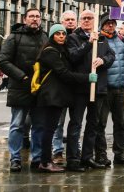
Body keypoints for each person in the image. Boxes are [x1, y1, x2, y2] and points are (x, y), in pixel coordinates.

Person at [33, 24, 90, 173]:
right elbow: (63, 73)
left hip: (57, 95)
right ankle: (45, 162)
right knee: (49, 129)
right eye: (57, 34)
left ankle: (45, 160)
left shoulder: (60, 50)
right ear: (52, 36)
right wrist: (86, 78)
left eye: (63, 34)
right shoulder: (50, 52)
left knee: (49, 128)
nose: (61, 36)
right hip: (51, 96)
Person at [0, 8, 48, 172]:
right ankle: (15, 158)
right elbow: (3, 61)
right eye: (31, 16)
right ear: (25, 19)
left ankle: (37, 158)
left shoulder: (45, 37)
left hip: (40, 88)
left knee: (39, 125)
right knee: (17, 125)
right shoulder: (14, 37)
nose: (35, 19)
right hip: (20, 87)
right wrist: (23, 77)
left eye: (37, 17)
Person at [65, 10, 115, 172]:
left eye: (90, 18)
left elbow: (111, 56)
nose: (87, 21)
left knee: (93, 125)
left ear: (94, 21)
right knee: (76, 124)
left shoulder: (101, 37)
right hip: (80, 88)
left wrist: (103, 60)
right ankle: (73, 159)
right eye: (84, 18)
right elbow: (73, 56)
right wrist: (88, 44)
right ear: (80, 21)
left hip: (98, 88)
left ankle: (87, 157)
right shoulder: (73, 37)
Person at [95, 16, 124, 166]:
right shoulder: (98, 40)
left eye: (113, 23)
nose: (111, 26)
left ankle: (119, 154)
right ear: (102, 25)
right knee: (101, 123)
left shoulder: (122, 40)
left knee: (120, 123)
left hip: (120, 87)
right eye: (107, 23)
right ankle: (101, 155)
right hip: (104, 87)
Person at [52, 10, 78, 165]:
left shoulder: (80, 37)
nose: (70, 22)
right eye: (67, 19)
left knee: (76, 121)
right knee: (58, 122)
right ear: (62, 21)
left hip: (76, 87)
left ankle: (75, 150)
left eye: (72, 19)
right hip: (61, 87)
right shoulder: (56, 40)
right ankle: (57, 151)